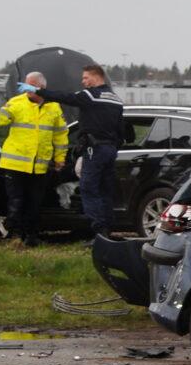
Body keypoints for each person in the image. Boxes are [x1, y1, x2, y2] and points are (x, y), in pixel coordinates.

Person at [34, 64, 125, 239]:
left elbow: (64, 97)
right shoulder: (115, 99)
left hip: (95, 148)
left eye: (85, 78)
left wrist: (40, 91)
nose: (82, 81)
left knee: (88, 188)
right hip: (110, 149)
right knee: (105, 190)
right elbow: (121, 129)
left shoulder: (90, 95)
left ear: (96, 77)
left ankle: (99, 232)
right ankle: (107, 229)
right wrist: (114, 147)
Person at [0, 72, 68, 246]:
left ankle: (32, 236)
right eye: (25, 85)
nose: (26, 88)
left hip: (39, 166)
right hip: (15, 164)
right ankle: (15, 236)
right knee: (16, 201)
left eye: (30, 85)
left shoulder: (54, 107)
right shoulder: (16, 102)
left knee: (35, 203)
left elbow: (61, 135)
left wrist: (60, 158)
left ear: (41, 87)